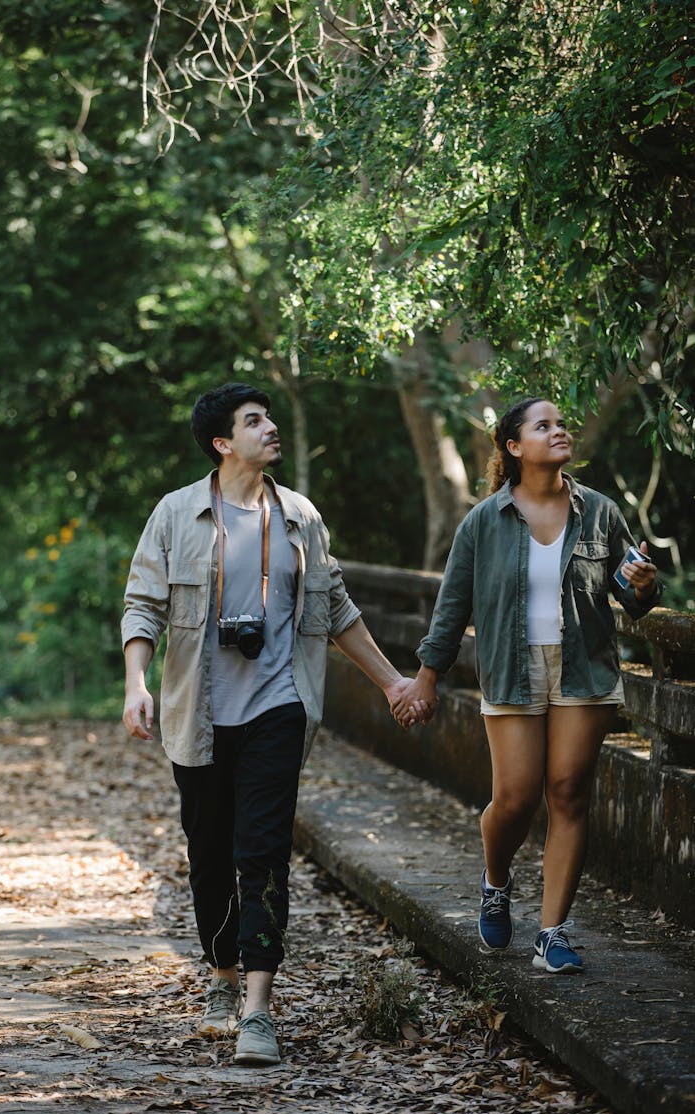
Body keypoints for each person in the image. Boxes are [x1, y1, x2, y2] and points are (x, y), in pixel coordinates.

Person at [121, 382, 424, 1066]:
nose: (271, 427)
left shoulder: (301, 518)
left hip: (278, 705)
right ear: (223, 442)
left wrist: (392, 682)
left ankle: (258, 1008)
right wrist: (136, 684)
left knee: (261, 849)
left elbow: (338, 610)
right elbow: (142, 605)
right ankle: (222, 975)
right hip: (197, 714)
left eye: (269, 417)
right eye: (253, 420)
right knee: (209, 853)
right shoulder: (175, 515)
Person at [393, 397, 661, 973]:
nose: (560, 430)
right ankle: (495, 880)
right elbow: (451, 607)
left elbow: (631, 599)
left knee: (568, 793)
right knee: (514, 797)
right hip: (512, 667)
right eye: (544, 426)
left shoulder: (601, 512)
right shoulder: (483, 521)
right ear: (514, 447)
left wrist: (642, 584)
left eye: (563, 423)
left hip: (584, 667)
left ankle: (552, 934)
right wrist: (427, 678)